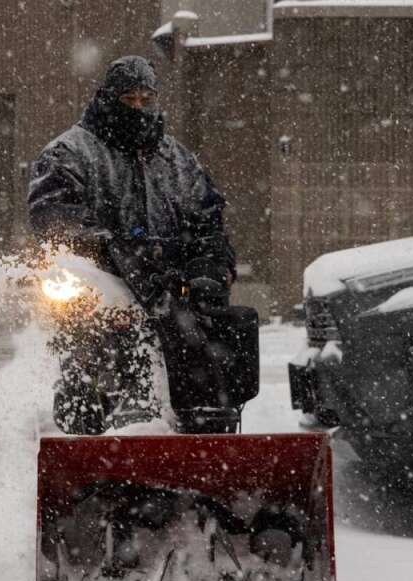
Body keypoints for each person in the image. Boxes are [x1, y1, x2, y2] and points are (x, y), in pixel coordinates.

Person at [28, 56, 253, 434]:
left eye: (145, 99)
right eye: (128, 98)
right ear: (106, 98)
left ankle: (206, 443)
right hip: (102, 300)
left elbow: (208, 222)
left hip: (175, 299)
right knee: (91, 396)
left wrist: (210, 267)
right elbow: (54, 218)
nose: (137, 107)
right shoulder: (68, 154)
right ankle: (92, 458)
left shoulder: (177, 159)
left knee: (219, 358)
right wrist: (116, 252)